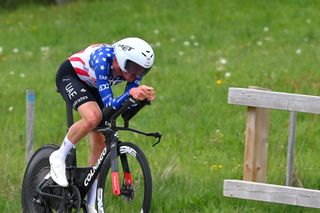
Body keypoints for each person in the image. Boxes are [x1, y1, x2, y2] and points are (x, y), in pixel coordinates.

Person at [49, 37, 156, 213]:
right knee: (93, 118)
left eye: (143, 71)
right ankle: (58, 156)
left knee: (101, 137)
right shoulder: (102, 59)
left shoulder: (133, 72)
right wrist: (132, 94)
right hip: (71, 76)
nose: (137, 74)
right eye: (134, 68)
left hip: (94, 85)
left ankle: (91, 204)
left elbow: (124, 109)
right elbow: (109, 104)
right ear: (121, 59)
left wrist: (141, 99)